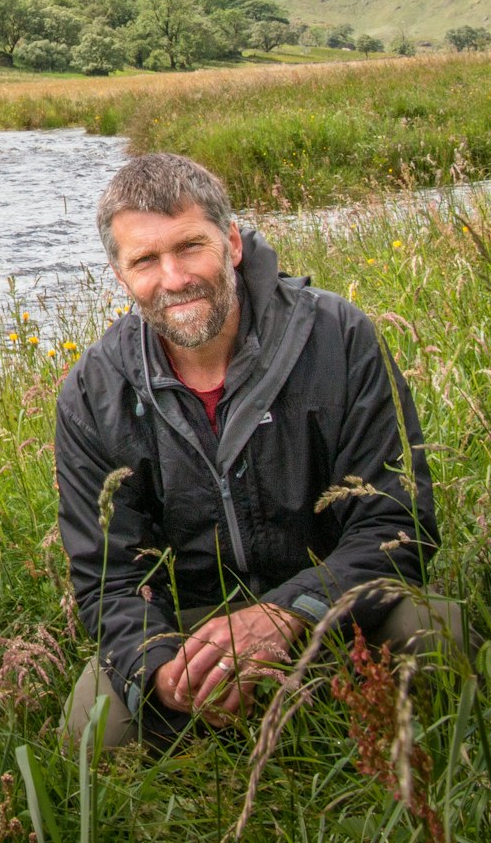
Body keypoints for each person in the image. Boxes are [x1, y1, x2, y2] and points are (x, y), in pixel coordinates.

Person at [56, 153, 459, 750]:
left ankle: (341, 727)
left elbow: (397, 523)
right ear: (121, 276)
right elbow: (110, 580)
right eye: (145, 260)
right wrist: (164, 673)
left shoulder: (338, 337)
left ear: (233, 244)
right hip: (193, 626)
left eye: (191, 246)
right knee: (90, 736)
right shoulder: (94, 391)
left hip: (332, 603)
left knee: (441, 638)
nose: (173, 278)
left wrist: (287, 614)